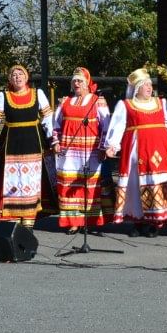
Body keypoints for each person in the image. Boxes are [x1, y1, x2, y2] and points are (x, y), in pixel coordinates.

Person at [0, 64, 56, 229]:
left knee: (32, 181)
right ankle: (11, 219)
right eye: (13, 75)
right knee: (11, 180)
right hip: (11, 145)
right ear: (10, 79)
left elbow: (47, 117)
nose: (17, 77)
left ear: (26, 77)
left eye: (20, 74)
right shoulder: (4, 96)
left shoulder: (37, 94)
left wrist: (53, 137)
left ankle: (29, 220)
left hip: (33, 143)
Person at [104, 68, 167, 236]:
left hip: (160, 153)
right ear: (137, 88)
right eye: (145, 85)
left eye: (150, 84)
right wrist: (112, 145)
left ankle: (155, 222)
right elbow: (118, 127)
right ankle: (138, 221)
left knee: (158, 181)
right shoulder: (126, 105)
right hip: (136, 152)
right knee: (136, 185)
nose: (150, 88)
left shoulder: (160, 103)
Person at [52, 67, 110, 234]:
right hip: (69, 152)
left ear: (87, 84)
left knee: (89, 185)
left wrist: (102, 148)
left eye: (80, 81)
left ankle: (89, 220)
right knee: (69, 185)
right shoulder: (65, 102)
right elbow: (56, 124)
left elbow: (106, 126)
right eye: (74, 81)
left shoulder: (97, 101)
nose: (76, 83)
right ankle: (73, 221)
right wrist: (56, 141)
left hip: (90, 150)